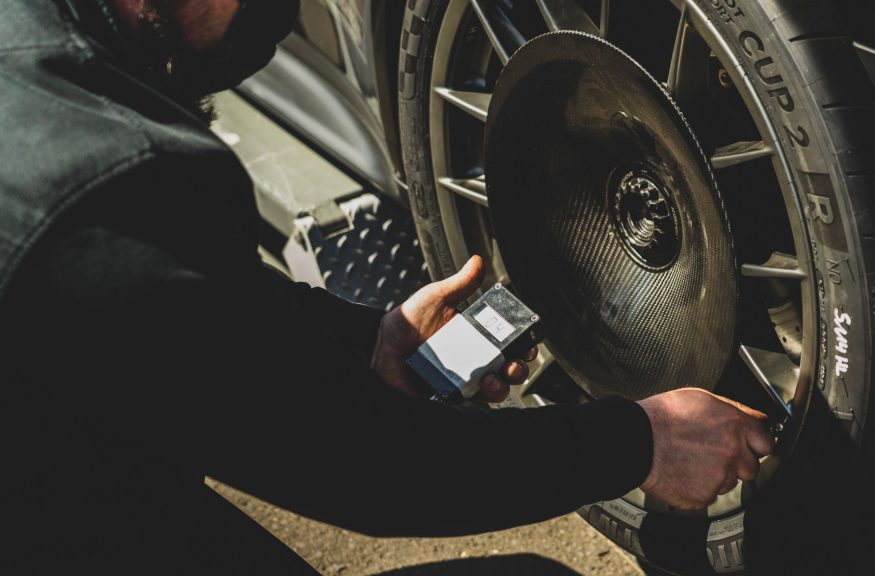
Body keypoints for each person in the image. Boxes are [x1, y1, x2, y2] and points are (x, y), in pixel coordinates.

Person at [0, 0, 773, 573]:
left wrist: (358, 340)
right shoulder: (109, 177)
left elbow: (173, 319)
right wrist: (641, 441)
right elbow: (360, 465)